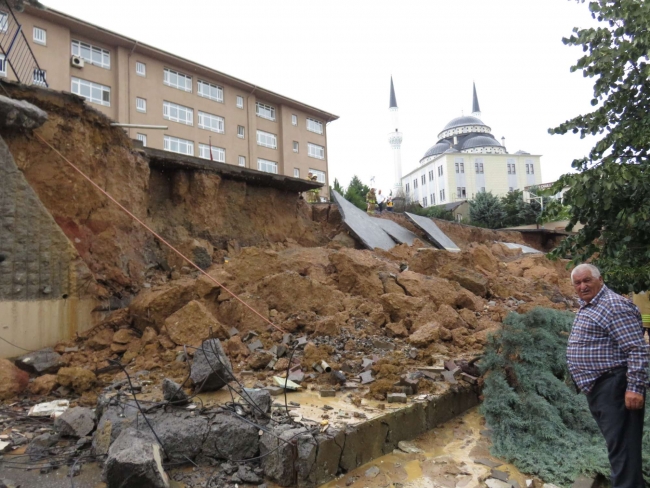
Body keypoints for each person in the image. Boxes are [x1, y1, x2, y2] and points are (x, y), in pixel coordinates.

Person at [567, 263, 649, 488]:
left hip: (616, 386)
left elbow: (636, 349)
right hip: (602, 388)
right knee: (620, 448)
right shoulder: (591, 304)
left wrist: (635, 387)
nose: (582, 286)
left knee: (623, 450)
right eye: (578, 283)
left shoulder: (613, 306)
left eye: (587, 281)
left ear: (600, 279)